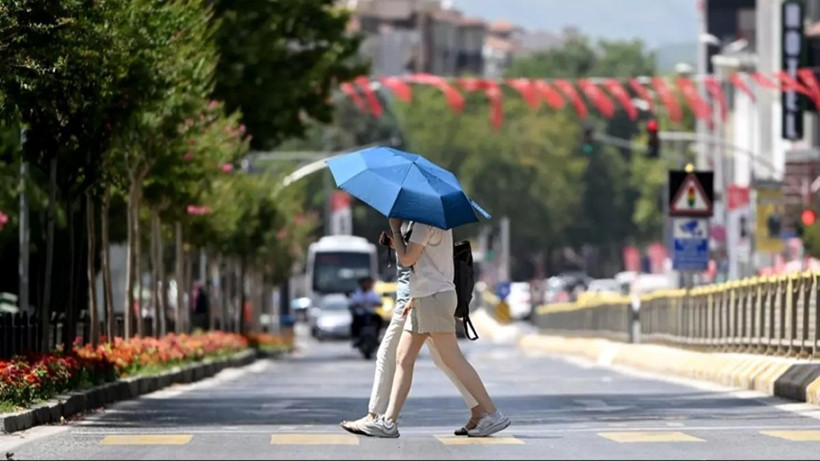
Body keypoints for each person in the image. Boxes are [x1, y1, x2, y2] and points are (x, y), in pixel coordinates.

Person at [357, 219, 509, 438]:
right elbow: (423, 258)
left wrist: (395, 231)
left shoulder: (423, 224)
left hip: (434, 297)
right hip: (424, 297)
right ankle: (388, 422)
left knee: (452, 359)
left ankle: (493, 414)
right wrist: (396, 243)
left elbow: (409, 259)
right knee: (403, 358)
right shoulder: (437, 222)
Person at [349, 276, 383, 347]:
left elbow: (379, 302)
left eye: (369, 283)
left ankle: (376, 337)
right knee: (355, 323)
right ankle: (356, 338)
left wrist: (376, 304)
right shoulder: (356, 292)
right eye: (365, 283)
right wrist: (358, 305)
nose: (367, 284)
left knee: (379, 319)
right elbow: (353, 303)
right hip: (361, 315)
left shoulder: (373, 293)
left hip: (371, 314)